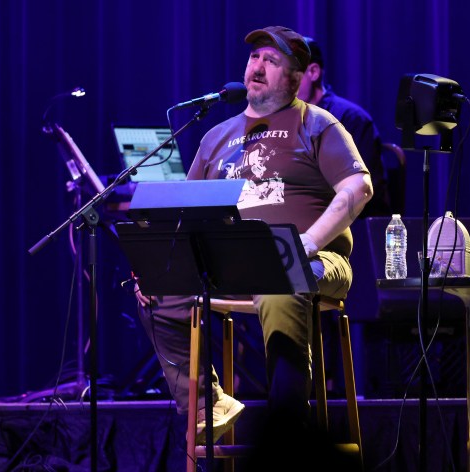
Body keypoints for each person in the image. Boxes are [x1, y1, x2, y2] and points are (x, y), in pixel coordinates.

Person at [134, 26, 373, 445]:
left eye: (272, 60)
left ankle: (287, 435)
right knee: (156, 291)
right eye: (254, 58)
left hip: (315, 257)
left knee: (279, 280)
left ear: (296, 77)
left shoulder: (316, 123)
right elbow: (186, 215)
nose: (257, 67)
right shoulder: (215, 137)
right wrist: (162, 266)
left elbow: (359, 188)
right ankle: (208, 403)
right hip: (234, 259)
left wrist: (308, 242)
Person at [297, 36, 390, 217]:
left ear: (313, 72)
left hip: (348, 223)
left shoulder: (351, 119)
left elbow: (364, 190)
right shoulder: (283, 120)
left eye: (290, 73)